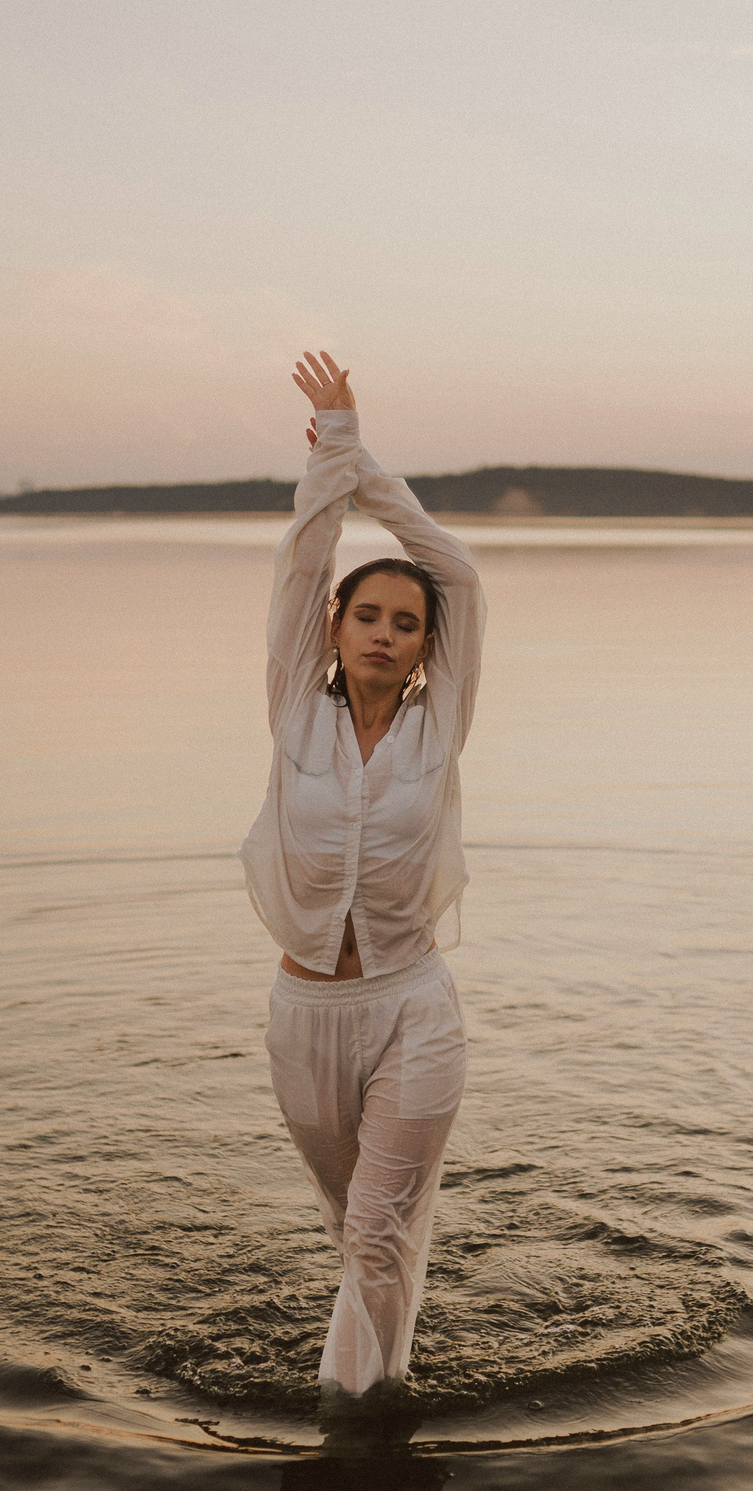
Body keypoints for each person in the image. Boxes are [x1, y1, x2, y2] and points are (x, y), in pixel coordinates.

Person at [240, 350, 485, 1406]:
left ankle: (349, 1429)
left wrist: (357, 455)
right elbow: (304, 557)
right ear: (334, 629)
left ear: (428, 648)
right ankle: (392, 1383)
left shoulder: (441, 724)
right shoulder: (296, 705)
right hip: (304, 1012)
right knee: (361, 1235)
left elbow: (458, 570)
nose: (385, 633)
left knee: (375, 1232)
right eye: (366, 616)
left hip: (411, 1009)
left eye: (406, 624)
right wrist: (326, 468)